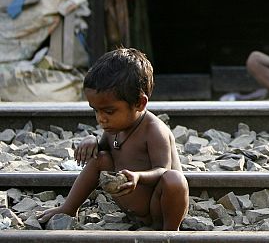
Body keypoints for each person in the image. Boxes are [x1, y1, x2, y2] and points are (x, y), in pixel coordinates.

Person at [37, 48, 189, 230]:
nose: (101, 118)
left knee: (174, 180)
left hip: (157, 209)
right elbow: (103, 151)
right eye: (96, 110)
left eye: (109, 111)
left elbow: (162, 170)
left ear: (140, 103)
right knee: (99, 158)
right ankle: (69, 208)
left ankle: (170, 232)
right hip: (132, 207)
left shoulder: (154, 130)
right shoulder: (114, 126)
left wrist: (138, 177)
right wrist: (91, 141)